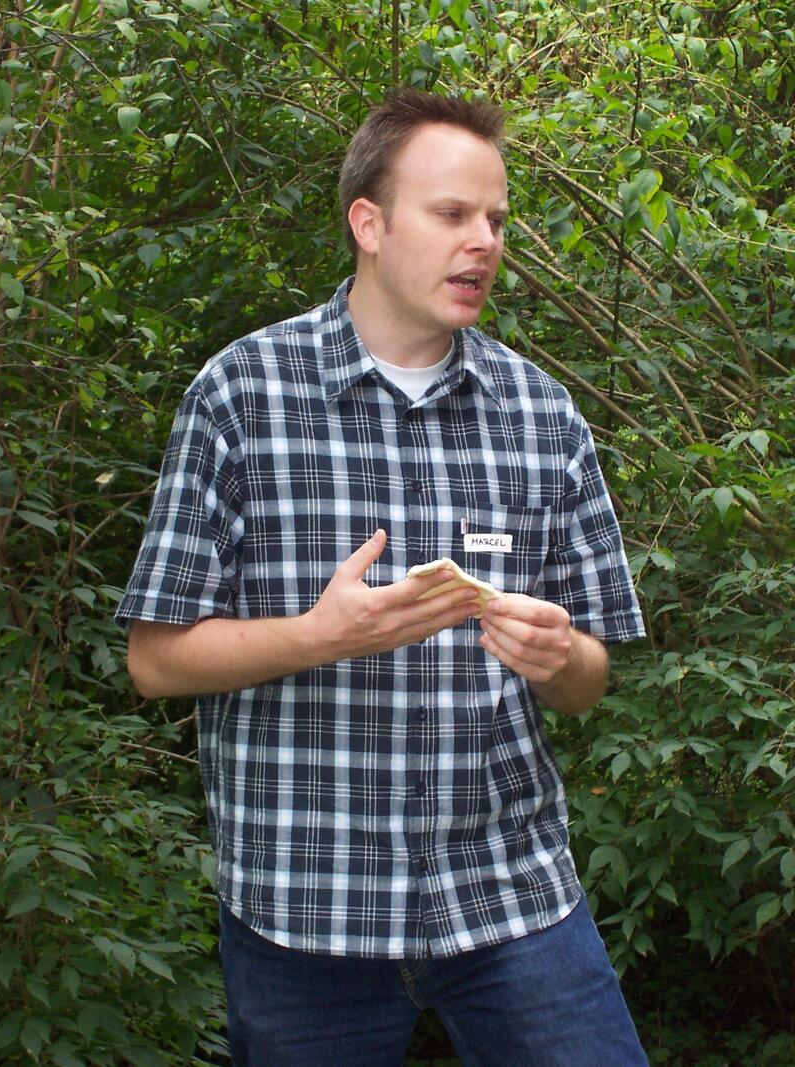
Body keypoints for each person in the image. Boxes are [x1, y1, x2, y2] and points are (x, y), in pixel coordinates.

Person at [117, 89, 649, 1067]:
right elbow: (154, 660)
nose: (483, 241)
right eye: (451, 213)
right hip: (304, 911)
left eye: (495, 219)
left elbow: (588, 683)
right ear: (368, 222)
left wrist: (559, 655)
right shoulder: (241, 395)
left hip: (511, 897)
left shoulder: (541, 415)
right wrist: (320, 635)